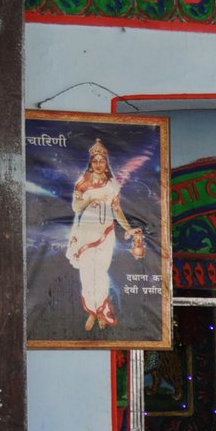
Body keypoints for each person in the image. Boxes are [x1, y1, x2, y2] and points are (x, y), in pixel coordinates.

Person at [65, 138, 136, 332]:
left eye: (101, 161)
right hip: (87, 231)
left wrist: (128, 228)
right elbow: (76, 207)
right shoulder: (82, 182)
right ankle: (91, 311)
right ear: (90, 163)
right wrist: (91, 196)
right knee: (87, 273)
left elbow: (117, 211)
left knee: (102, 272)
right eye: (95, 161)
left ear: (106, 163)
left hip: (107, 231)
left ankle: (101, 309)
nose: (98, 164)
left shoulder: (113, 186)